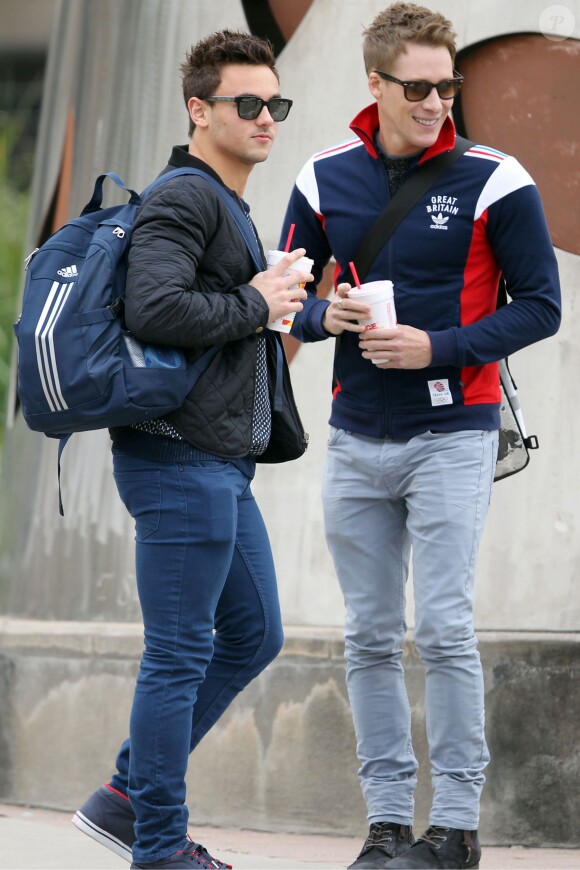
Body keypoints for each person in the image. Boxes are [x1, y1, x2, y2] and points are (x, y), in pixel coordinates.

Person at [278, 4, 561, 869]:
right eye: (419, 86)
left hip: (455, 431)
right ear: (375, 83)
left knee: (441, 627)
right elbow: (286, 298)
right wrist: (334, 313)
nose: (437, 100)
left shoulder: (497, 177)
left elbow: (541, 305)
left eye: (448, 85)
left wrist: (439, 347)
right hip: (357, 436)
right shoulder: (325, 177)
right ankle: (388, 827)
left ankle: (458, 831)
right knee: (367, 634)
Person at [72, 29, 311, 870]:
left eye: (274, 104)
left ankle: (126, 796)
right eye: (247, 104)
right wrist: (257, 295)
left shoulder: (225, 203)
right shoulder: (186, 197)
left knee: (253, 635)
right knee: (179, 653)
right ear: (198, 109)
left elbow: (224, 322)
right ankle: (159, 847)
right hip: (177, 459)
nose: (266, 118)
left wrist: (300, 312)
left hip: (217, 464)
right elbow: (156, 311)